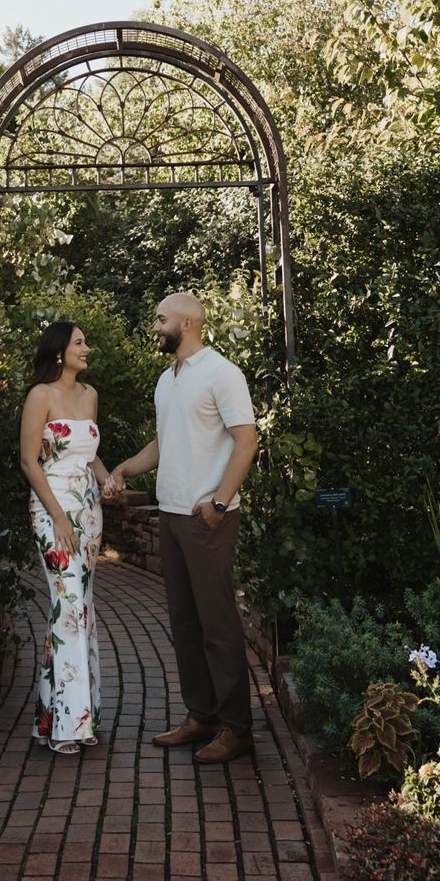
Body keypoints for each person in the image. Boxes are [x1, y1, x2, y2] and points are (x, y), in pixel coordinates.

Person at [106, 292, 258, 764]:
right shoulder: (166, 380)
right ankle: (202, 716)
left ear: (188, 323)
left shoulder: (222, 373)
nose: (155, 326)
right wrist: (125, 469)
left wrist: (218, 502)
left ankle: (237, 728)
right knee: (185, 625)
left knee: (218, 626)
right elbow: (161, 441)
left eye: (160, 318)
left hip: (206, 519)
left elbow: (247, 441)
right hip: (169, 515)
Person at [19, 319, 120, 754]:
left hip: (89, 514)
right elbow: (28, 462)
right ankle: (70, 726)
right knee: (70, 609)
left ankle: (51, 717)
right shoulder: (40, 396)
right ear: (60, 351)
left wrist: (106, 478)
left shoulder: (89, 395)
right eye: (81, 342)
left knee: (77, 609)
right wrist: (58, 516)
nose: (88, 348)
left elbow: (89, 455)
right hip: (51, 510)